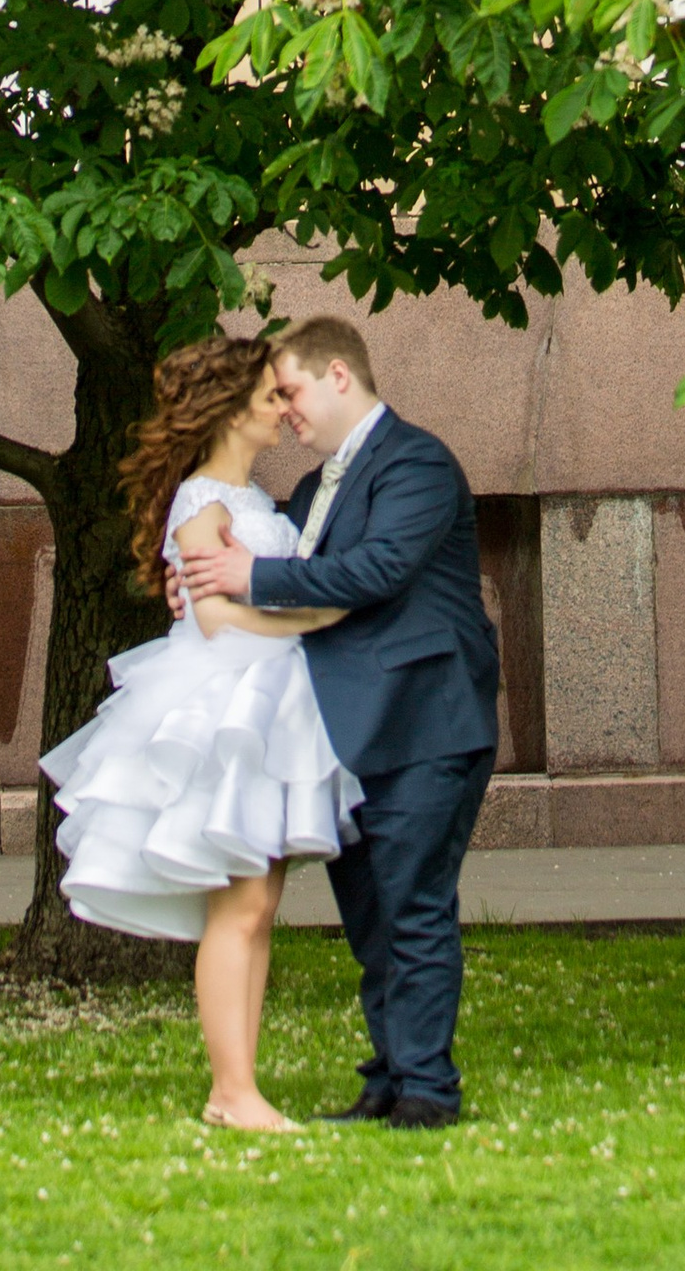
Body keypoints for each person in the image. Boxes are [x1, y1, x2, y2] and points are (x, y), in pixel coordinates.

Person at [176, 315, 502, 1131]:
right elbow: (291, 582)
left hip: (428, 722)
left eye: (289, 390)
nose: (284, 410)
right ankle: (388, 1079)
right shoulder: (312, 492)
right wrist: (203, 590)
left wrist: (250, 573)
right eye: (274, 397)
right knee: (373, 918)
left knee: (416, 906)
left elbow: (378, 569)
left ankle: (427, 1092)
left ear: (338, 378)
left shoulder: (418, 462)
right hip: (347, 734)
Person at [39, 330, 351, 1131]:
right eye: (270, 397)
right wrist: (321, 620)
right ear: (230, 408)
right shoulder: (203, 500)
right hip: (225, 708)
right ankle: (231, 1089)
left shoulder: (250, 501)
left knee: (257, 903)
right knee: (239, 906)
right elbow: (213, 618)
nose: (283, 410)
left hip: (267, 705)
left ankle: (237, 1087)